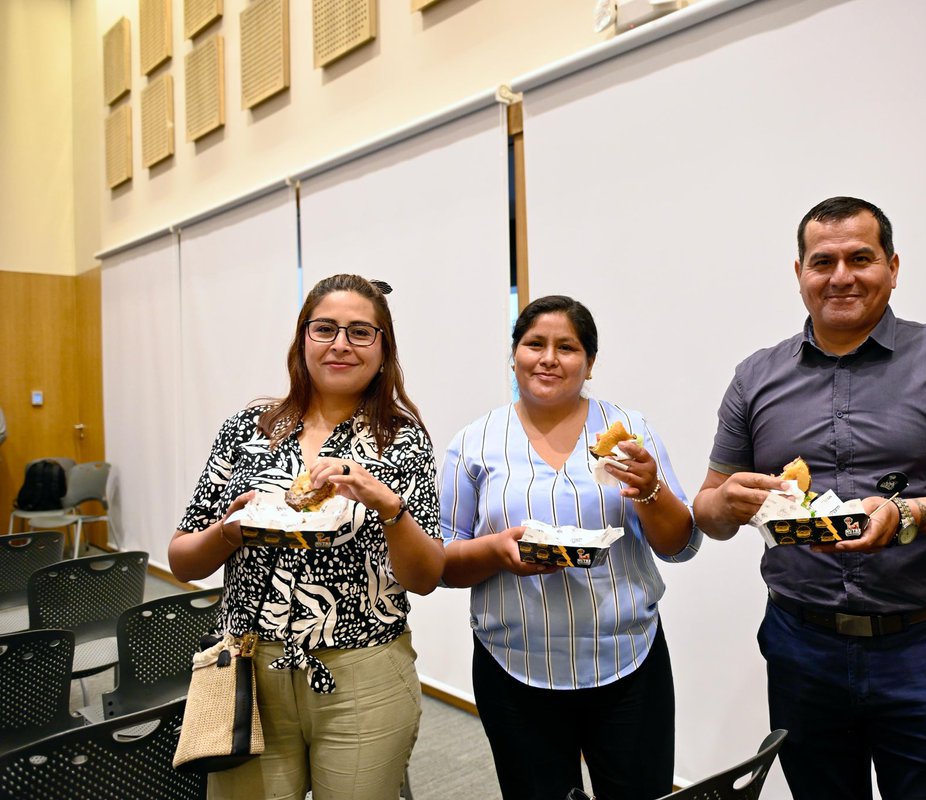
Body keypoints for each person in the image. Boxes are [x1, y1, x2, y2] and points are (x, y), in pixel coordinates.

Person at [692, 197, 926, 799]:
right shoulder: (756, 376)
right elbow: (708, 511)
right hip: (799, 642)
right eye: (822, 261)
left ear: (893, 265)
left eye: (861, 257)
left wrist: (913, 514)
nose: (840, 276)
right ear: (799, 272)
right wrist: (726, 500)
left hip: (924, 647)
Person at [168, 274, 445, 800]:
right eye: (325, 329)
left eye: (361, 332)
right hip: (249, 666)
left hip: (363, 669)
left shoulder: (402, 439)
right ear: (302, 342)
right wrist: (230, 532)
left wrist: (388, 507)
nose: (341, 344)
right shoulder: (249, 428)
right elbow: (182, 561)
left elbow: (426, 577)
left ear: (384, 350)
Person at [440, 295, 702, 800]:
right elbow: (443, 564)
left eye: (567, 347)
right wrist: (497, 550)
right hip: (512, 664)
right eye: (534, 344)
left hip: (628, 658)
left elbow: (679, 544)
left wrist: (650, 489)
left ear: (590, 362)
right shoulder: (475, 442)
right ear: (513, 354)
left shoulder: (629, 431)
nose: (548, 358)